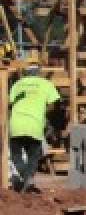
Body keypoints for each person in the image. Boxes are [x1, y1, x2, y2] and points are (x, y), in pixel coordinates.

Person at [8, 62, 61, 193]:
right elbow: (54, 105)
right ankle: (28, 177)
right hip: (34, 124)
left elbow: (10, 103)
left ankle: (25, 176)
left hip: (16, 124)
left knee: (16, 155)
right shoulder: (46, 84)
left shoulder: (17, 84)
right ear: (39, 72)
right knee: (33, 155)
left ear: (26, 73)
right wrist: (43, 113)